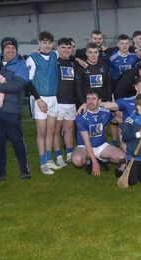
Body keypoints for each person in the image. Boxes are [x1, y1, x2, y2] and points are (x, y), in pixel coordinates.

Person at [0, 36, 31, 181]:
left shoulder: (20, 65)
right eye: (7, 47)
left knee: (17, 140)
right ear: (2, 49)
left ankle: (24, 170)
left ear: (16, 49)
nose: (10, 50)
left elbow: (17, 85)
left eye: (13, 48)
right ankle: (1, 172)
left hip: (11, 110)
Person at [26, 31, 61, 174]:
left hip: (53, 97)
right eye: (44, 42)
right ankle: (42, 164)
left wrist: (79, 60)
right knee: (42, 132)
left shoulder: (55, 54)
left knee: (51, 130)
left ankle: (48, 159)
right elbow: (27, 81)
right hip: (39, 98)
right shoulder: (32, 58)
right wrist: (38, 99)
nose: (47, 45)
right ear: (39, 43)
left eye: (49, 42)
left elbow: (70, 52)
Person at [72, 89, 126, 176]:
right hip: (84, 147)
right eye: (88, 99)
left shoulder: (106, 112)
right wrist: (94, 163)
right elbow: (87, 141)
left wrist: (120, 120)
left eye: (93, 98)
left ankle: (102, 159)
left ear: (99, 101)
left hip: (101, 146)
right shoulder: (81, 116)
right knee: (77, 160)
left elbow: (115, 120)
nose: (90, 101)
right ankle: (91, 160)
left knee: (122, 157)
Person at [53, 37, 82, 167]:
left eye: (69, 47)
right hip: (57, 101)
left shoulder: (74, 63)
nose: (66, 50)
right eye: (63, 47)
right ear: (58, 48)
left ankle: (70, 154)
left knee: (69, 129)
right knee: (56, 130)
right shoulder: (54, 62)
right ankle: (59, 156)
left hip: (71, 102)